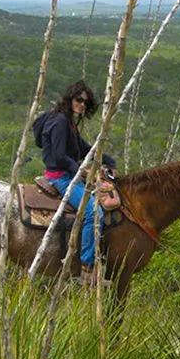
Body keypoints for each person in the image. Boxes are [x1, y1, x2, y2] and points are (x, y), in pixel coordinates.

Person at [33, 80, 117, 285]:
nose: (82, 105)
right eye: (79, 100)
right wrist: (82, 172)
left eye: (86, 103)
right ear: (70, 98)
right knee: (93, 213)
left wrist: (107, 160)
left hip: (67, 174)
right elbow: (61, 156)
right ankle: (87, 267)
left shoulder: (68, 121)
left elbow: (82, 147)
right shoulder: (61, 122)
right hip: (60, 177)